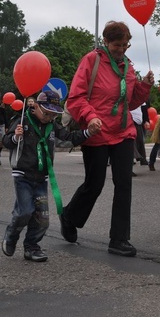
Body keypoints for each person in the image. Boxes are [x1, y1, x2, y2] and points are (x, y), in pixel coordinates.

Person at [59, 21, 154, 258]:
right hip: (97, 131)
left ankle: (119, 239)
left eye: (125, 45)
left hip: (123, 132)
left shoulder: (128, 67)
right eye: (117, 45)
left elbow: (129, 102)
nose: (121, 49)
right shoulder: (91, 61)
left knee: (124, 184)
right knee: (95, 183)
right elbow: (75, 97)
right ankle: (69, 217)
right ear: (106, 42)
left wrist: (144, 87)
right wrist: (90, 118)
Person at [1, 91, 98, 262]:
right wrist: (16, 137)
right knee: (25, 211)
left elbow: (67, 139)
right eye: (46, 113)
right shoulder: (22, 120)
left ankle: (31, 246)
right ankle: (12, 234)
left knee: (43, 218)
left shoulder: (52, 125)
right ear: (36, 106)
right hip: (22, 174)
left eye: (53, 115)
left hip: (42, 177)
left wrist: (88, 133)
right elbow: (6, 142)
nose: (48, 118)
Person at [0, 99, 8, 166]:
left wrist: (6, 126)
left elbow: (5, 117)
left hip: (1, 125)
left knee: (2, 141)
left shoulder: (2, 108)